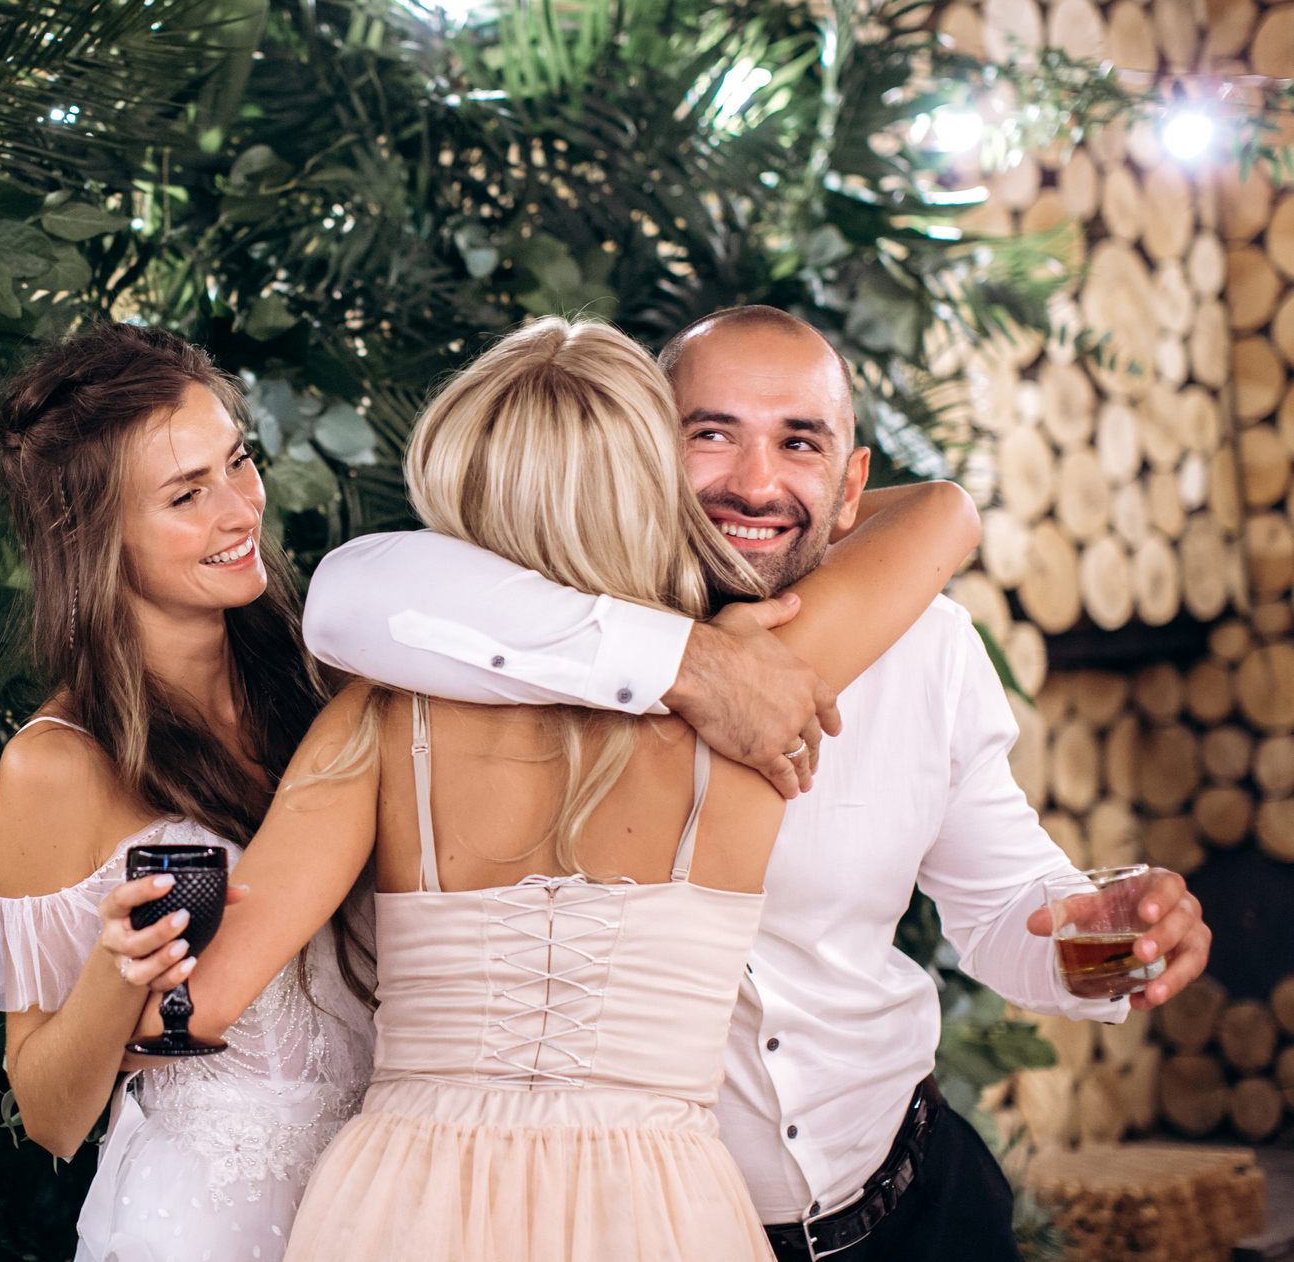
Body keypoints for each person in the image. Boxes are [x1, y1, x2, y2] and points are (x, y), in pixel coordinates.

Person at [298, 306, 1214, 1262]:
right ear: (644, 452)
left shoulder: (926, 648)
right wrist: (692, 664)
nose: (755, 483)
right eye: (710, 435)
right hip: (656, 1234)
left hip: (915, 1209)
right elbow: (350, 595)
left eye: (799, 442)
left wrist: (1114, 943)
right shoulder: (533, 634)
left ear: (852, 484)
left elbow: (1005, 914)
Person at [131, 317, 985, 1260]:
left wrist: (117, 961)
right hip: (660, 1205)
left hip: (406, 1200)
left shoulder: (379, 721)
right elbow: (937, 521)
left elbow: (189, 1011)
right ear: (650, 487)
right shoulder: (756, 702)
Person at [0, 324, 375, 1262]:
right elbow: (50, 1117)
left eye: (237, 464)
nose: (239, 512)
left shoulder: (332, 681)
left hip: (380, 1198)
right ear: (93, 536)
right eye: (186, 495)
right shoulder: (55, 766)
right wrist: (117, 971)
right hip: (199, 1224)